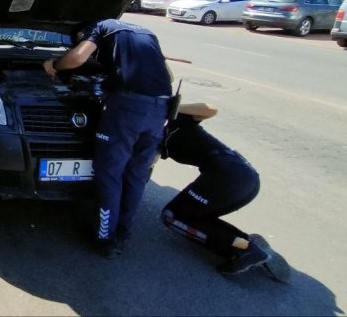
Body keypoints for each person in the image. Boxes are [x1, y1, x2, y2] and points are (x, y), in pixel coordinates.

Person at [43, 19, 171, 258]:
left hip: (127, 109)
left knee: (110, 174)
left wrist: (55, 65)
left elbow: (78, 58)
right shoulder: (145, 32)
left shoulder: (99, 28)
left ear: (83, 33)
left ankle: (104, 238)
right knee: (135, 174)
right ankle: (122, 232)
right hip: (159, 108)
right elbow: (169, 74)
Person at [161, 102, 291, 281]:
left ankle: (244, 250)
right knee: (197, 216)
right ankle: (244, 241)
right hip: (243, 177)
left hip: (229, 177)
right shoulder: (143, 128)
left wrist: (170, 106)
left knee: (173, 216)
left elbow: (210, 108)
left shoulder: (175, 118)